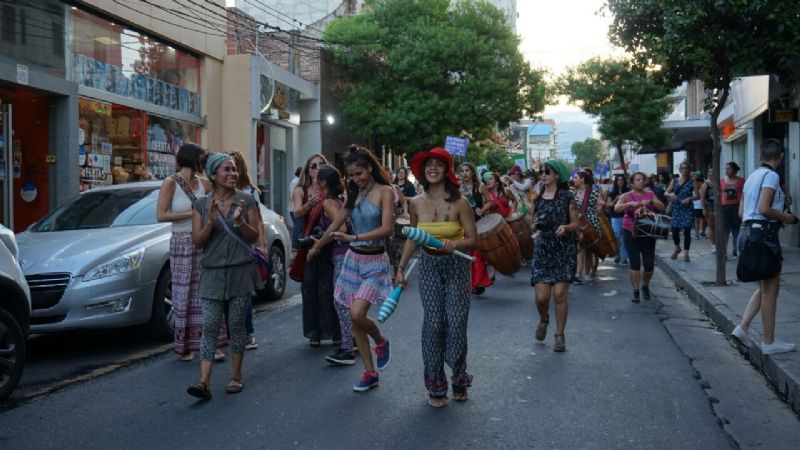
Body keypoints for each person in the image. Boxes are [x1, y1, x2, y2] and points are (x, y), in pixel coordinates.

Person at [396, 147, 478, 408]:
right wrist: (400, 268)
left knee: (455, 323)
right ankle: (435, 383)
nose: (433, 168)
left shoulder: (460, 202)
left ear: (446, 171)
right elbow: (413, 237)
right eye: (428, 165)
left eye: (438, 165)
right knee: (433, 324)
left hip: (456, 266)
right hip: (429, 266)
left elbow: (474, 239)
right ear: (422, 172)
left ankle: (459, 378)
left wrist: (455, 245)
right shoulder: (416, 203)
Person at [309, 145, 393, 392]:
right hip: (352, 263)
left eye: (359, 173)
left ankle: (380, 341)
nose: (355, 179)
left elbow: (387, 229)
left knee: (357, 314)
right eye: (351, 175)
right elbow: (335, 225)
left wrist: (354, 239)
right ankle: (369, 372)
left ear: (370, 168)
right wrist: (316, 248)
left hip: (375, 262)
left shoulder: (385, 192)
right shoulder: (353, 194)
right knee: (353, 319)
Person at [187, 152, 263, 399]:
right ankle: (203, 382)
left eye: (234, 170)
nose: (232, 174)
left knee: (236, 326)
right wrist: (210, 223)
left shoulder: (246, 200)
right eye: (226, 170)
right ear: (213, 175)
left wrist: (240, 222)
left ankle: (236, 376)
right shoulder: (201, 205)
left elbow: (253, 238)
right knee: (209, 326)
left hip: (240, 272)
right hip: (212, 275)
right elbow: (198, 242)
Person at [156, 143, 226, 362]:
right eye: (201, 159)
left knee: (207, 293)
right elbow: (161, 215)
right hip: (181, 243)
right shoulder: (171, 183)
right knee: (183, 294)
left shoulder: (204, 184)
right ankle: (185, 346)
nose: (203, 163)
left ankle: (211, 343)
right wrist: (192, 213)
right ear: (192, 159)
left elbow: (215, 207)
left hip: (203, 240)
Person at [731, 139, 799, 355]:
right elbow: (764, 207)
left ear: (760, 156)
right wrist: (788, 218)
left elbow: (742, 212)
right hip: (763, 235)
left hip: (747, 232)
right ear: (780, 157)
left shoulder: (751, 177)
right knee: (771, 289)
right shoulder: (771, 176)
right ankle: (769, 342)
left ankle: (742, 328)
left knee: (764, 287)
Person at [531, 160, 579, 352]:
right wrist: (534, 227)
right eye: (541, 172)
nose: (543, 175)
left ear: (557, 175)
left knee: (559, 295)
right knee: (542, 298)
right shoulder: (537, 198)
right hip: (543, 249)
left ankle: (559, 335)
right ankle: (544, 318)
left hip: (563, 248)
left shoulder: (569, 197)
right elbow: (533, 223)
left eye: (547, 172)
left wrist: (565, 228)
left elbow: (576, 223)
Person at [299, 164, 346, 352]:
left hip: (339, 252)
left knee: (340, 299)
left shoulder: (328, 202)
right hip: (337, 252)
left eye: (318, 178)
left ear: (324, 182)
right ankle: (347, 339)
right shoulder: (339, 199)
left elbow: (341, 228)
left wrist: (318, 244)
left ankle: (349, 341)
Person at [229, 150, 266, 350]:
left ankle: (248, 333)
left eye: (233, 167)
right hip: (225, 249)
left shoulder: (250, 192)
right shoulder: (218, 193)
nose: (229, 173)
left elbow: (258, 221)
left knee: (243, 292)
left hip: (245, 246)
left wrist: (262, 245)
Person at [615, 172, 665, 302]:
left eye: (643, 179)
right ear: (632, 183)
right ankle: (636, 291)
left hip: (648, 232)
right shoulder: (626, 196)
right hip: (631, 231)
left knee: (649, 264)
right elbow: (616, 209)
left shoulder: (650, 194)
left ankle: (645, 285)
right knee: (635, 263)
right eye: (638, 180)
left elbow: (662, 206)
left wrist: (651, 201)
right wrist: (630, 204)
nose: (641, 182)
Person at [459, 162, 492, 295]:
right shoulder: (458, 187)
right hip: (462, 223)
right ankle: (470, 282)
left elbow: (490, 201)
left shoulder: (481, 186)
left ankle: (479, 282)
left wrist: (482, 209)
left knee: (477, 254)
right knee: (466, 255)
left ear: (472, 172)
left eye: (467, 170)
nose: (465, 173)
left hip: (478, 223)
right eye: (462, 171)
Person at [573, 169, 604, 282]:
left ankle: (586, 273)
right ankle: (577, 274)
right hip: (578, 225)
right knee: (580, 249)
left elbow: (600, 203)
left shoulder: (594, 191)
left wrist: (600, 204)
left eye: (576, 177)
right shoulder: (574, 192)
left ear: (582, 179)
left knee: (589, 251)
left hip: (591, 224)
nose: (573, 179)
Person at [293, 156, 328, 251]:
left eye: (321, 165)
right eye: (313, 165)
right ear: (308, 170)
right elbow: (296, 214)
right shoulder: (300, 190)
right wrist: (308, 205)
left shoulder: (331, 189)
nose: (317, 168)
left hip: (329, 239)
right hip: (309, 239)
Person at [665, 162, 695, 262]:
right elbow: (666, 192)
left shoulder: (692, 182)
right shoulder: (675, 180)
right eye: (682, 168)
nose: (684, 170)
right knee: (675, 231)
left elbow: (698, 196)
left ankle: (686, 254)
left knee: (687, 231)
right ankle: (677, 248)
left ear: (689, 170)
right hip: (677, 208)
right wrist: (670, 196)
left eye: (686, 168)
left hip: (687, 209)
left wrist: (690, 198)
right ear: (680, 170)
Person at [720, 162, 745, 257]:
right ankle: (724, 252)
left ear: (734, 170)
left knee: (736, 231)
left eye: (729, 169)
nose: (726, 171)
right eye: (726, 169)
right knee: (725, 231)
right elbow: (718, 196)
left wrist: (743, 209)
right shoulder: (721, 181)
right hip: (724, 208)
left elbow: (744, 195)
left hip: (736, 207)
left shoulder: (742, 181)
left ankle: (736, 250)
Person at [607, 174, 630, 265]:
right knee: (616, 235)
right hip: (615, 216)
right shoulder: (612, 193)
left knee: (624, 237)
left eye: (622, 180)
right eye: (618, 180)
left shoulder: (628, 192)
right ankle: (618, 254)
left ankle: (624, 257)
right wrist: (615, 199)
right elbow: (608, 205)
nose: (620, 181)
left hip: (626, 216)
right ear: (616, 182)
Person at [699, 167, 717, 253]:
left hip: (718, 207)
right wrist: (703, 209)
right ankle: (714, 245)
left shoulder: (718, 183)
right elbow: (702, 198)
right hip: (709, 207)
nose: (710, 174)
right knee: (711, 227)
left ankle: (718, 243)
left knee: (718, 227)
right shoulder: (705, 185)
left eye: (712, 172)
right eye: (709, 172)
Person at [288, 166, 302, 240]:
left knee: (297, 225)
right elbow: (292, 195)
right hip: (294, 208)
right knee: (298, 225)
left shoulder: (295, 181)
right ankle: (295, 243)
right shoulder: (296, 182)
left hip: (293, 207)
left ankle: (296, 242)